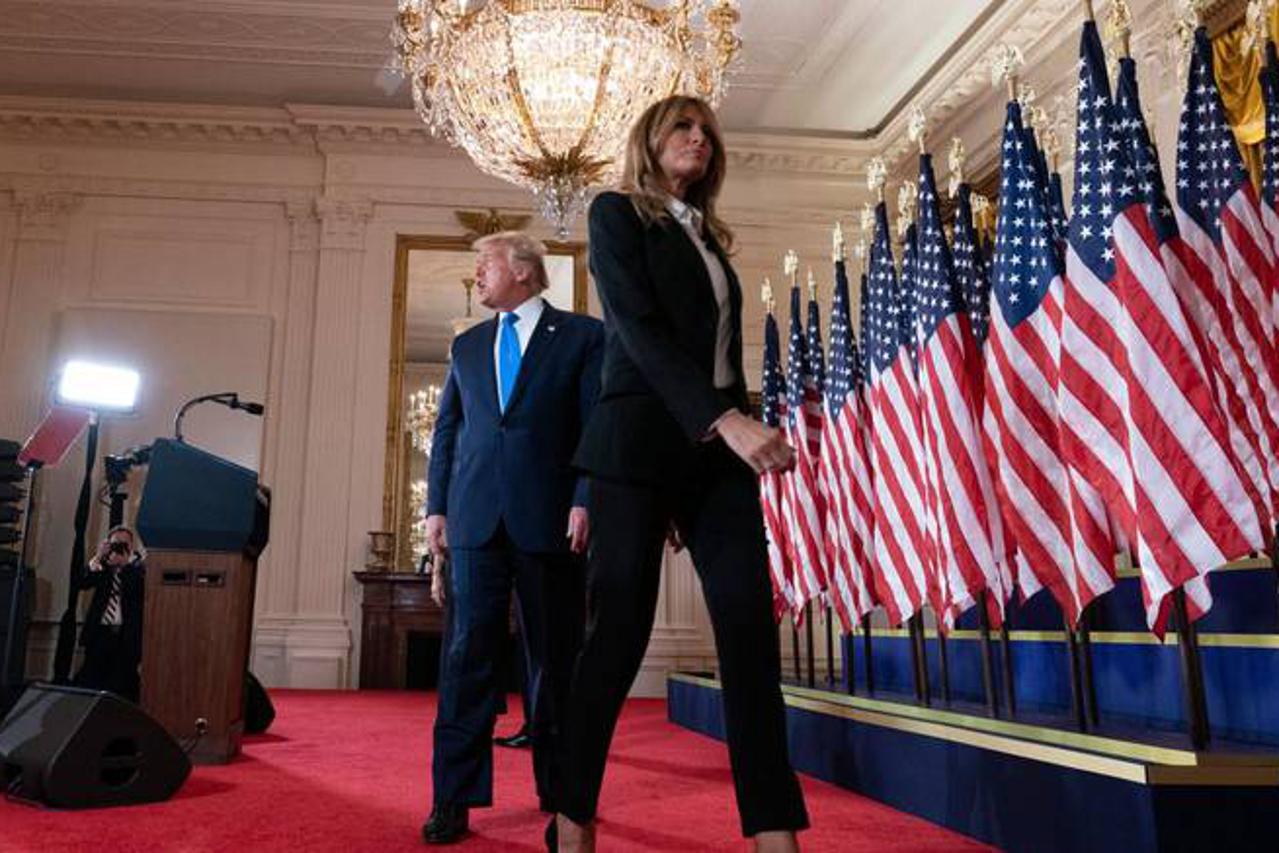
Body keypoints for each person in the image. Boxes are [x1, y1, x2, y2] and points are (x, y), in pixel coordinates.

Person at [550, 95, 809, 852]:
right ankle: (570, 815)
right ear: (650, 140)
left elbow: (717, 356)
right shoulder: (615, 214)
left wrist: (734, 420)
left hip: (713, 454)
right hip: (635, 445)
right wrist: (724, 419)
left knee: (747, 623)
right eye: (683, 128)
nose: (699, 139)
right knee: (619, 631)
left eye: (707, 132)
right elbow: (637, 330)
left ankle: (774, 829)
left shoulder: (708, 237)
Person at [422, 231, 603, 845]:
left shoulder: (581, 336)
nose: (477, 274)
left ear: (523, 271)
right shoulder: (467, 345)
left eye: (487, 264)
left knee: (556, 661)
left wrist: (584, 497)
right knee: (465, 659)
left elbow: (594, 425)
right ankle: (452, 799)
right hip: (474, 521)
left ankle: (564, 796)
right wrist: (436, 508)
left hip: (551, 521)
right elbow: (448, 430)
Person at [73, 525, 146, 702]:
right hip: (100, 634)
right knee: (92, 681)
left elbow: (139, 589)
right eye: (116, 544)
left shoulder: (138, 568)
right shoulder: (102, 566)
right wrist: (99, 556)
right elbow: (82, 582)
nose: (119, 548)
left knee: (122, 685)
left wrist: (126, 565)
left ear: (131, 545)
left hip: (125, 636)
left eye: (124, 544)